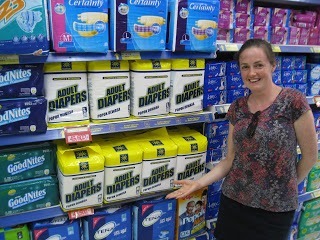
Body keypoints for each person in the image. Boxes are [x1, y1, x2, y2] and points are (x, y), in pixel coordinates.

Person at [166, 39, 318, 240]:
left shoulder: (293, 101)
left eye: (259, 65)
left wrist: (284, 186)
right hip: (233, 203)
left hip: (275, 211)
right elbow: (230, 159)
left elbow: (309, 156)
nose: (251, 73)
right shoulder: (237, 107)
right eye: (245, 67)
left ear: (273, 65)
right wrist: (198, 184)